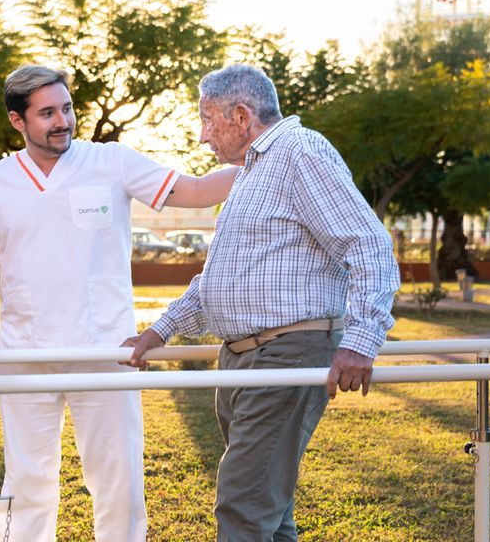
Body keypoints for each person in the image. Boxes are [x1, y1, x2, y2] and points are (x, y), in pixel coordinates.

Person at [0, 64, 237, 542]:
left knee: (118, 481)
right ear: (18, 121)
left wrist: (265, 159)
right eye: (47, 113)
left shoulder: (111, 162)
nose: (63, 121)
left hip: (107, 350)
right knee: (28, 481)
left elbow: (194, 191)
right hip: (25, 353)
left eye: (68, 108)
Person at [124, 64, 400, 541]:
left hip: (286, 351)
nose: (202, 135)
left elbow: (369, 245)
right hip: (240, 359)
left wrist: (361, 340)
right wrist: (159, 330)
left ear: (240, 115)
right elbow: (219, 279)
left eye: (208, 119)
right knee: (270, 515)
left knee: (244, 507)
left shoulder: (300, 152)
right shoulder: (249, 174)